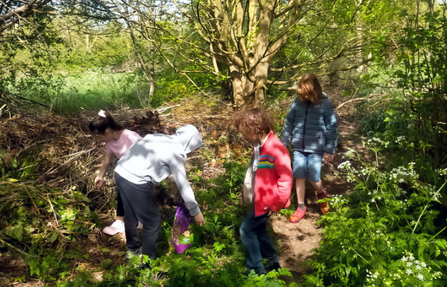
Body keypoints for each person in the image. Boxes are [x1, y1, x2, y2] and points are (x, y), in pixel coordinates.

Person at [114, 124, 206, 263]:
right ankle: (147, 263)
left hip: (121, 171)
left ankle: (132, 251)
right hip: (135, 180)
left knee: (130, 214)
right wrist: (195, 210)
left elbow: (140, 149)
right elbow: (182, 184)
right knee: (152, 222)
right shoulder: (176, 153)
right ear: (189, 143)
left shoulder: (159, 137)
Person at [233, 109, 293, 275]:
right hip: (261, 201)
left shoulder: (276, 149)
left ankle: (256, 270)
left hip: (268, 202)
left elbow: (286, 180)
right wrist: (245, 193)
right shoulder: (259, 147)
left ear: (254, 129)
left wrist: (275, 205)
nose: (243, 136)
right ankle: (272, 261)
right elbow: (254, 173)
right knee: (258, 230)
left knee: (246, 230)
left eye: (244, 131)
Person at [280, 74, 338, 223]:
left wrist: (330, 149)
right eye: (302, 93)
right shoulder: (297, 102)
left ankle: (321, 194)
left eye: (307, 93)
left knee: (313, 176)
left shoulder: (325, 104)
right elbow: (289, 122)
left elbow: (331, 127)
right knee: (298, 175)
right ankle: (301, 207)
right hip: (299, 145)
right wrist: (284, 142)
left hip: (316, 147)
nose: (304, 96)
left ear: (315, 90)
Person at [89, 110, 142, 235]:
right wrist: (100, 176)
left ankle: (140, 220)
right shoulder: (110, 142)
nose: (99, 139)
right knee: (122, 192)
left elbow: (147, 149)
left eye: (98, 136)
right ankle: (120, 222)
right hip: (126, 172)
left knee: (139, 195)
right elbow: (106, 160)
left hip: (141, 171)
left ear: (107, 132)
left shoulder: (129, 136)